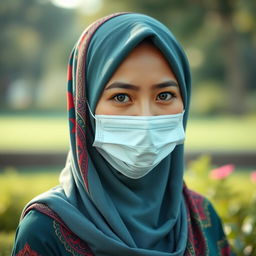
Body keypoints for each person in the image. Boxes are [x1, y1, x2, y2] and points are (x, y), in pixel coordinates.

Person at [12, 12, 233, 256]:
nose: (146, 118)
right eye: (121, 97)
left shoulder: (203, 217)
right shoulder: (43, 230)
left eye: (164, 95)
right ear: (85, 107)